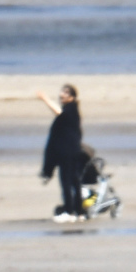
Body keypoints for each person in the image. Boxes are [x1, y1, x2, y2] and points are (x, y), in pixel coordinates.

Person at [38, 83, 84, 222]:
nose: (61, 95)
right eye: (62, 92)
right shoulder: (73, 110)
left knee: (66, 182)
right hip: (73, 150)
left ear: (72, 97)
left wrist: (45, 99)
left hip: (68, 152)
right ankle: (79, 212)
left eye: (65, 92)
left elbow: (58, 112)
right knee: (75, 182)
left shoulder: (70, 110)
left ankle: (70, 212)